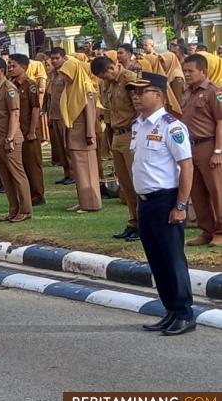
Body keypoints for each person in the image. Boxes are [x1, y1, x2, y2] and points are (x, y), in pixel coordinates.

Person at [128, 72, 196, 335]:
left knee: (173, 259)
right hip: (145, 202)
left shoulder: (172, 126)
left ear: (158, 95)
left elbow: (186, 168)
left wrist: (181, 206)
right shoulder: (139, 124)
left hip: (167, 199)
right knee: (156, 259)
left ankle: (184, 313)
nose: (135, 96)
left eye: (140, 92)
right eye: (133, 92)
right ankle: (170, 309)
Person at [92, 55, 140, 240]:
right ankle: (133, 221)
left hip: (131, 133)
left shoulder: (130, 79)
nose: (104, 80)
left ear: (112, 68)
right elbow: (108, 110)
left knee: (136, 181)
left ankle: (144, 223)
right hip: (117, 134)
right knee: (125, 183)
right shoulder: (105, 84)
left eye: (105, 75)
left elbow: (139, 107)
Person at [180, 54, 222, 246]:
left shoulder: (214, 91)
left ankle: (220, 232)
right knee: (196, 190)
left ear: (203, 72)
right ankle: (207, 230)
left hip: (209, 145)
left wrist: (218, 151)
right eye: (185, 70)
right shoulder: (187, 92)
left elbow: (220, 122)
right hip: (190, 147)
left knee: (217, 190)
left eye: (190, 71)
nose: (186, 74)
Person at [0, 57, 32, 223]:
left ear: (1, 71)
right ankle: (13, 208)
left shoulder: (9, 89)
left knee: (17, 175)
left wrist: (10, 138)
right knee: (5, 177)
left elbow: (14, 114)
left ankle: (25, 209)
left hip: (8, 139)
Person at [59, 57, 102, 213]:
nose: (64, 77)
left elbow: (91, 115)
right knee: (78, 172)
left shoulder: (86, 88)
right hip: (73, 135)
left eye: (66, 73)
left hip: (84, 136)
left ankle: (91, 203)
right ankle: (83, 201)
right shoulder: (70, 88)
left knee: (88, 171)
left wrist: (90, 134)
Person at [8, 54, 45, 206]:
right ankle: (25, 194)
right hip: (16, 131)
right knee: (20, 164)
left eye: (13, 66)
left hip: (28, 130)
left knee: (32, 164)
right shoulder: (10, 84)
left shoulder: (31, 85)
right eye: (9, 66)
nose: (10, 68)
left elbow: (36, 108)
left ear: (23, 68)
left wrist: (32, 131)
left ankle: (38, 195)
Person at [48, 48, 73, 185]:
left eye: (57, 58)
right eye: (52, 58)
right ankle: (67, 172)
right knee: (60, 147)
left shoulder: (67, 73)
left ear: (64, 58)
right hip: (55, 114)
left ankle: (73, 173)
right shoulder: (53, 74)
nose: (54, 60)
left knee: (68, 145)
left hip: (65, 115)